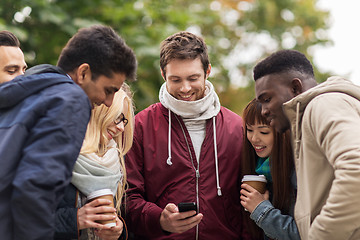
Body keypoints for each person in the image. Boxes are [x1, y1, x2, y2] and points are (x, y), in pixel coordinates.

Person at [0, 25, 137, 240]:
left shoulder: (32, 92)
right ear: (83, 72)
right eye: (108, 90)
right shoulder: (70, 99)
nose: (107, 102)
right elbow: (34, 190)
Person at [125, 31, 250, 240]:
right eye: (176, 79)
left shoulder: (237, 127)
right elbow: (128, 197)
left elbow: (248, 202)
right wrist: (159, 220)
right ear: (163, 75)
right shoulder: (141, 126)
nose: (185, 88)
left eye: (193, 78)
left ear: (207, 71)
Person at [253, 49, 360, 240]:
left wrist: (321, 235)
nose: (264, 111)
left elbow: (357, 168)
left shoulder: (323, 104)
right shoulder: (313, 114)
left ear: (295, 88)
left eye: (267, 99)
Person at [55, 83, 134, 240]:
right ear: (97, 111)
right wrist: (75, 220)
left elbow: (125, 218)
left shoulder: (116, 159)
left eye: (123, 121)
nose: (121, 128)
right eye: (117, 117)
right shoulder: (54, 152)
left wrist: (119, 232)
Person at [239, 99, 299, 240]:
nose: (254, 138)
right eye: (249, 130)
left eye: (264, 132)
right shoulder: (256, 167)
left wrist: (261, 210)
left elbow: (305, 234)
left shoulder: (298, 173)